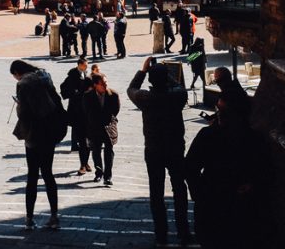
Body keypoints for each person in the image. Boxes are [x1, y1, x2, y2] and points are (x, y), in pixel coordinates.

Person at [185, 94, 269, 249]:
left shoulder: (252, 139)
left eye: (225, 111)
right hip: (213, 203)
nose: (219, 114)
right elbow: (190, 168)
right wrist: (199, 194)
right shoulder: (209, 135)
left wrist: (252, 184)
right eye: (219, 109)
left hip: (236, 206)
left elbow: (263, 170)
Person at [127, 56, 191, 248]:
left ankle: (161, 234)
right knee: (179, 189)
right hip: (175, 148)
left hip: (154, 150)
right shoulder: (177, 97)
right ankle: (183, 231)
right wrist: (166, 74)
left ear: (150, 81)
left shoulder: (146, 98)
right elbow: (180, 87)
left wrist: (143, 70)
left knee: (156, 193)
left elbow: (131, 89)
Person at [10, 60, 65, 231]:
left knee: (32, 176)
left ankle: (29, 218)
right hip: (50, 131)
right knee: (48, 174)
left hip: (34, 133)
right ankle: (54, 216)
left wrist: (18, 105)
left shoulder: (23, 84)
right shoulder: (44, 76)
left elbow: (24, 112)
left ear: (18, 73)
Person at [82, 71, 119, 187]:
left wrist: (108, 119)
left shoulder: (113, 95)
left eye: (106, 83)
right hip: (94, 128)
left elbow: (116, 110)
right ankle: (99, 173)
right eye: (102, 84)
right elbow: (86, 112)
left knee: (109, 151)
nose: (105, 85)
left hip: (108, 127)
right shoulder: (88, 96)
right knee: (96, 152)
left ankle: (108, 176)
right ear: (95, 85)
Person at [60, 56, 92, 175]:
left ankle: (86, 162)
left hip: (88, 112)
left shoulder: (88, 75)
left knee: (88, 141)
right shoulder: (72, 76)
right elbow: (64, 89)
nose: (86, 68)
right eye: (84, 66)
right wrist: (75, 93)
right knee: (82, 141)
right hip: (77, 111)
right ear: (79, 65)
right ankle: (82, 164)